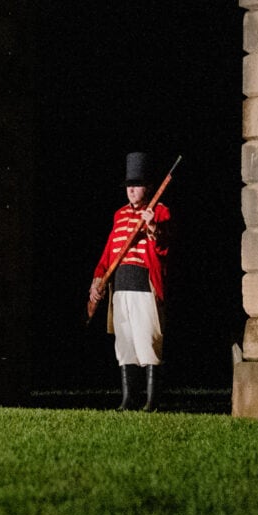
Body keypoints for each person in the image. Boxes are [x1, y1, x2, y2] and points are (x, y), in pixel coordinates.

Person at [89, 152, 171, 411]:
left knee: (147, 341)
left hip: (144, 285)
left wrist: (153, 228)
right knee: (125, 343)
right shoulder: (119, 215)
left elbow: (165, 247)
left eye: (136, 185)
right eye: (129, 186)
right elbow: (109, 252)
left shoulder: (159, 211)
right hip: (121, 286)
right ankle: (128, 399)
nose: (131, 190)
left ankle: (151, 401)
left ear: (147, 187)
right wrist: (97, 279)